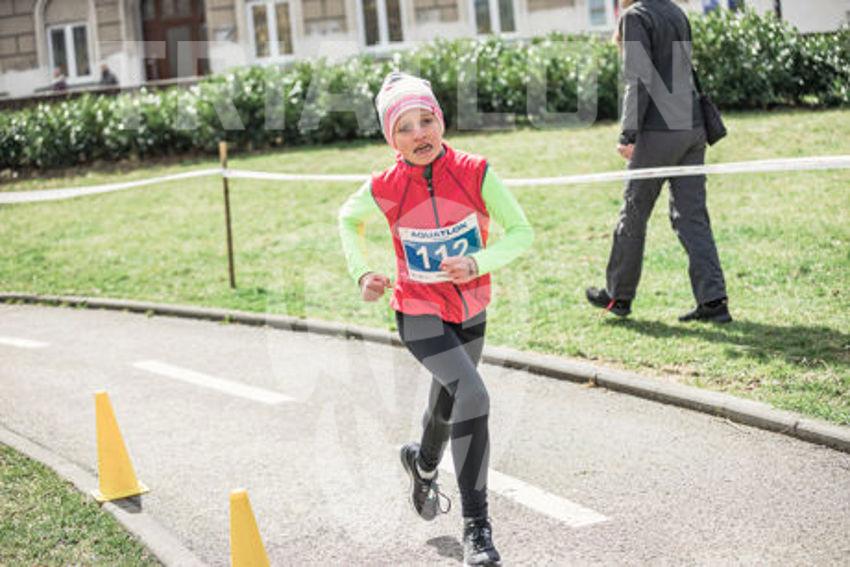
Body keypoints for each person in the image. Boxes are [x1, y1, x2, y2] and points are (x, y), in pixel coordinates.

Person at [338, 72, 533, 566]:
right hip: (418, 312)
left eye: (426, 121)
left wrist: (477, 262)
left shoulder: (475, 172)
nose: (419, 134)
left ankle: (422, 463)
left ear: (440, 121)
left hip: (470, 308)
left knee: (448, 401)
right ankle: (477, 528)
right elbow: (348, 219)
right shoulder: (385, 186)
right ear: (392, 139)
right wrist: (363, 272)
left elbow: (521, 232)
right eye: (404, 127)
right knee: (474, 395)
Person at [586, 0, 732, 323]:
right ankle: (714, 301)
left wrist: (628, 134)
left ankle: (619, 296)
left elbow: (638, 79)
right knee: (692, 216)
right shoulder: (676, 12)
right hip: (692, 127)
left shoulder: (636, 16)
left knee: (634, 212)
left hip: (659, 130)